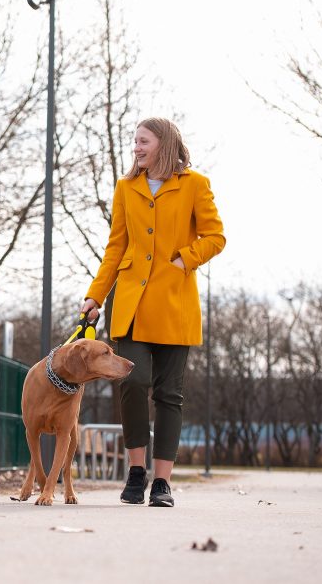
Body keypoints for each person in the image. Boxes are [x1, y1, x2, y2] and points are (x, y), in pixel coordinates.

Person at [81, 118, 225, 507]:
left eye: (142, 141)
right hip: (129, 302)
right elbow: (116, 247)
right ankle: (136, 472)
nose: (136, 148)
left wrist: (185, 260)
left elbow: (216, 236)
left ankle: (162, 483)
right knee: (131, 381)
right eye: (134, 142)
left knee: (168, 394)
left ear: (164, 143)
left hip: (176, 304)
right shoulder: (126, 187)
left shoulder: (194, 184)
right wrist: (96, 295)